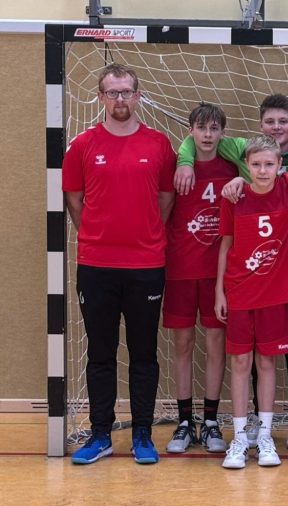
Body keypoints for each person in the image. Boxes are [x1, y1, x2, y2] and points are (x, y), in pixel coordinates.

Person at [177, 94, 288, 450]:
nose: (276, 127)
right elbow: (196, 138)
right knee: (247, 359)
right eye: (270, 121)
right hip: (246, 284)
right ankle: (248, 425)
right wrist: (186, 160)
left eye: (283, 121)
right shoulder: (238, 171)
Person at [63, 63, 176, 465]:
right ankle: (100, 435)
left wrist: (145, 234)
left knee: (144, 352)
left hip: (146, 265)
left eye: (126, 91)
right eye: (112, 92)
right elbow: (74, 200)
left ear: (138, 95)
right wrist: (99, 236)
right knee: (101, 353)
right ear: (101, 97)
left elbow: (166, 199)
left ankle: (143, 433)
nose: (120, 99)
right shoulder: (82, 145)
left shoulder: (159, 144)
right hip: (96, 266)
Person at [215, 134, 288, 469]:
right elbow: (226, 245)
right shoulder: (234, 196)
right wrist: (219, 291)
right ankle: (239, 438)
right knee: (240, 364)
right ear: (246, 165)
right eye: (256, 164)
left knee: (267, 364)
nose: (262, 170)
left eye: (268, 164)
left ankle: (265, 436)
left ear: (280, 165)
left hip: (274, 295)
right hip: (240, 293)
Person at [164, 103, 236, 454]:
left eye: (214, 128)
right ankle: (183, 422)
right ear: (190, 130)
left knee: (216, 344)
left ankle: (210, 421)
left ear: (222, 132)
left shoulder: (233, 168)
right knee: (183, 344)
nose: (207, 134)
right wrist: (184, 161)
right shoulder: (177, 169)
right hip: (180, 270)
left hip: (216, 274)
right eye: (201, 128)